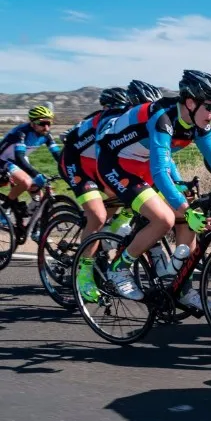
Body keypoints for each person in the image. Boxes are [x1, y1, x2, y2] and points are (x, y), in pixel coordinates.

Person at [95, 70, 211, 309]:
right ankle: (119, 268)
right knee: (164, 218)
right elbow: (159, 171)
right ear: (190, 102)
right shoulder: (162, 118)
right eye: (210, 107)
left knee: (190, 217)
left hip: (143, 162)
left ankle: (180, 287)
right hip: (115, 163)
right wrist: (185, 209)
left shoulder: (198, 125)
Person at [58, 87, 133, 301]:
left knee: (130, 196)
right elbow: (72, 145)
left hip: (97, 165)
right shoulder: (96, 122)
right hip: (75, 164)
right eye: (115, 109)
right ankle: (83, 271)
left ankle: (104, 231)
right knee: (98, 216)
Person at [0, 105, 62, 219]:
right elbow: (19, 157)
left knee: (39, 196)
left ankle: (35, 228)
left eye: (49, 123)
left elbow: (58, 155)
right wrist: (35, 174)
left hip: (18, 160)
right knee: (26, 182)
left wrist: (67, 168)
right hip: (3, 160)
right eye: (43, 124)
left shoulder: (46, 135)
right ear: (32, 123)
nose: (47, 128)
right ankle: (4, 210)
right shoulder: (21, 133)